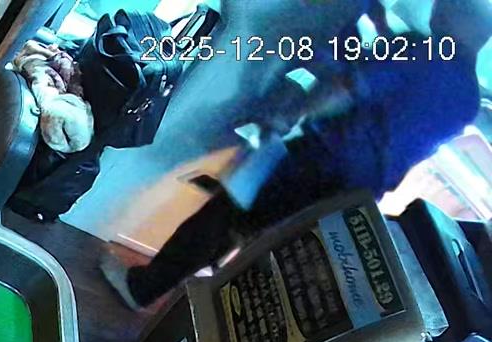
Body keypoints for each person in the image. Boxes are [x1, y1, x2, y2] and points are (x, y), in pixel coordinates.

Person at [102, 0, 492, 310]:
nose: (439, 7)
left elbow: (348, 87)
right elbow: (403, 93)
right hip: (361, 188)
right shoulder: (467, 99)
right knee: (261, 238)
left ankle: (143, 289)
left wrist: (291, 115)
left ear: (468, 22)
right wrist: (376, 24)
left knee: (226, 212)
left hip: (322, 157)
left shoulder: (422, 48)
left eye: (450, 4)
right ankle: (198, 304)